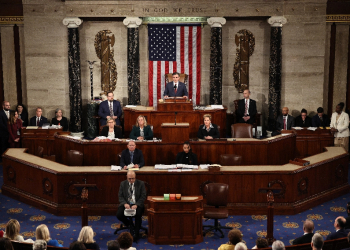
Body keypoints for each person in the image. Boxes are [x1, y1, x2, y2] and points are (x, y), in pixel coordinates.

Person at [116, 171, 146, 243]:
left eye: (133, 178)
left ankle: (136, 233)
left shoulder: (141, 183)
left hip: (137, 204)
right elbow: (120, 196)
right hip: (126, 204)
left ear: (135, 178)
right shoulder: (123, 184)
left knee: (138, 214)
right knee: (119, 214)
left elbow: (143, 196)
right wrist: (125, 203)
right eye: (129, 179)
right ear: (127, 177)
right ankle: (130, 224)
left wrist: (137, 204)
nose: (131, 180)